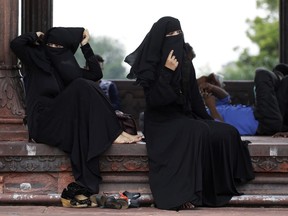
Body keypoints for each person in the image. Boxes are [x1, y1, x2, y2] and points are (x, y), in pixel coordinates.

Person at [124, 16, 254, 210]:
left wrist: (210, 122)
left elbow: (194, 99)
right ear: (161, 38)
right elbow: (156, 101)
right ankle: (185, 194)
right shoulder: (150, 65)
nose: (176, 38)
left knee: (226, 132)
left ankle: (219, 188)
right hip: (161, 122)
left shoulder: (185, 63)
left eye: (179, 33)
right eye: (171, 35)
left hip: (183, 118)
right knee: (197, 131)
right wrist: (167, 71)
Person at [10, 27, 142, 208]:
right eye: (51, 44)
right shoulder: (36, 59)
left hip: (61, 121)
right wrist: (37, 35)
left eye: (59, 45)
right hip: (43, 123)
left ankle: (114, 132)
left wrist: (85, 46)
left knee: (86, 85)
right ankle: (115, 132)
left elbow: (96, 75)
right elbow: (16, 44)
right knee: (81, 85)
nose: (54, 48)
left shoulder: (68, 70)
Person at [198, 64, 288, 136]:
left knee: (285, 80)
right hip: (263, 121)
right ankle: (279, 76)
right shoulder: (201, 119)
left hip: (264, 113)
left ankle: (279, 76)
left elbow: (226, 97)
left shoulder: (210, 108)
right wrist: (211, 107)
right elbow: (222, 130)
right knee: (262, 74)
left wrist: (211, 87)